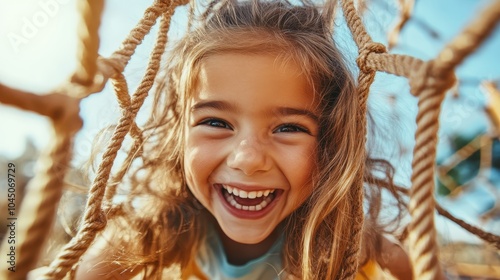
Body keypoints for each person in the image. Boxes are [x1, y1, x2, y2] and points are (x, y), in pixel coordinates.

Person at [72, 0, 413, 279]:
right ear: (180, 135)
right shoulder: (144, 234)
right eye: (216, 122)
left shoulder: (358, 249)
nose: (247, 159)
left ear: (330, 143)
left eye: (289, 128)